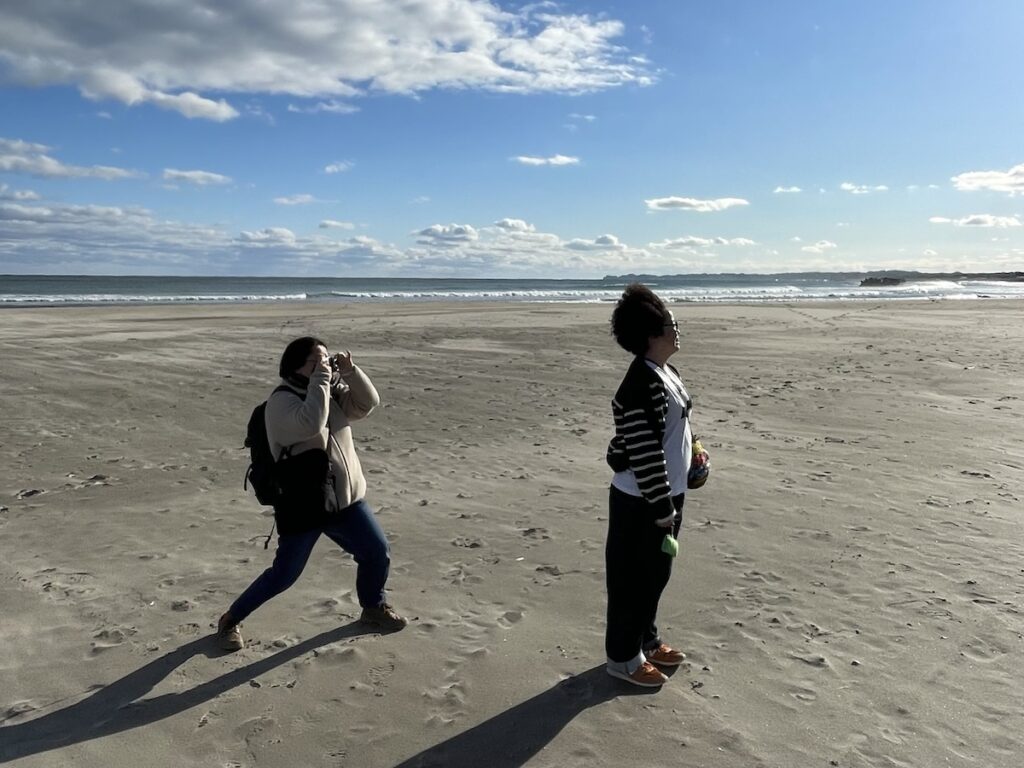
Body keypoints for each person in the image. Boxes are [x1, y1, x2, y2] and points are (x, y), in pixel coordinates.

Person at [218, 336, 406, 651]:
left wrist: (350, 371)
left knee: (376, 551)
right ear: (296, 366)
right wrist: (321, 379)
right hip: (304, 504)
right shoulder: (281, 403)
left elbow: (368, 403)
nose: (325, 366)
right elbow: (310, 424)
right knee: (284, 575)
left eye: (326, 359)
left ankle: (373, 607)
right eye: (317, 361)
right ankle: (230, 619)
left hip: (344, 501)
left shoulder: (328, 392)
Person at [603, 284, 693, 687]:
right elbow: (642, 452)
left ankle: (647, 640)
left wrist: (696, 456)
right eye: (672, 323)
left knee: (656, 575)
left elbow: (675, 429)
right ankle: (623, 658)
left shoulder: (666, 374)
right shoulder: (641, 383)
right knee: (632, 582)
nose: (677, 329)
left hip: (666, 495)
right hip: (642, 501)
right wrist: (661, 507)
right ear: (653, 333)